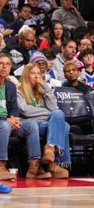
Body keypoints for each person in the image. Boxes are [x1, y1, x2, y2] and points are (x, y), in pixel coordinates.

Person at [0, 52, 50, 180]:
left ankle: (34, 167)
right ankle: (1, 165)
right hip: (3, 123)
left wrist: (15, 118)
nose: (4, 67)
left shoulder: (10, 86)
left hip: (9, 122)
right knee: (5, 125)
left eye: (7, 64)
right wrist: (7, 119)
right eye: (1, 63)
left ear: (11, 67)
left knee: (31, 125)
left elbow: (14, 108)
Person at [17, 62, 71, 178]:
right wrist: (48, 113)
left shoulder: (42, 90)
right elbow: (25, 111)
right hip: (31, 124)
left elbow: (53, 108)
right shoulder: (19, 90)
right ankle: (55, 163)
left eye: (38, 73)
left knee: (59, 115)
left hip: (46, 123)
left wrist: (46, 87)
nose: (36, 76)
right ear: (26, 75)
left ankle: (50, 148)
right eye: (33, 73)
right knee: (64, 126)